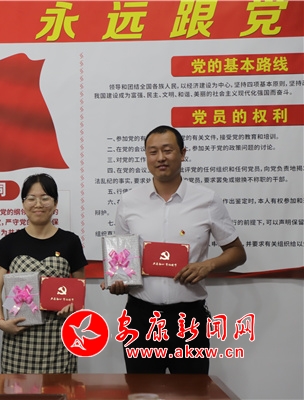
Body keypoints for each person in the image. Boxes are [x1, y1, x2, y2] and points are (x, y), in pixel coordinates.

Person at [104, 125, 247, 374]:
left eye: (168, 150)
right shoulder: (129, 201)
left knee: (192, 390)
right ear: (146, 156)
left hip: (188, 319)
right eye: (153, 152)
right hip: (141, 318)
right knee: (141, 390)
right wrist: (119, 281)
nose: (160, 157)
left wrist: (208, 265)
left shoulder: (207, 199)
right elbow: (121, 259)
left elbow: (237, 252)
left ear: (182, 153)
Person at [0, 173, 88, 373]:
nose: (38, 204)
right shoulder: (9, 243)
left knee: (59, 388)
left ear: (55, 202)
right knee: (16, 389)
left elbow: (79, 290)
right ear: (23, 203)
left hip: (59, 338)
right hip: (18, 337)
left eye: (45, 198)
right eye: (31, 198)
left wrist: (73, 310)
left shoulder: (70, 242)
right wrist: (1, 322)